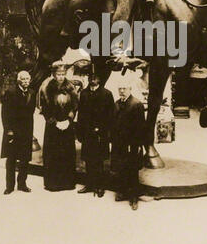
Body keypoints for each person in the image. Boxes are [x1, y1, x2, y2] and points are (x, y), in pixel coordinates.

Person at [40, 61, 78, 191]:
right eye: (58, 74)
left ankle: (67, 183)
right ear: (54, 75)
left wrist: (68, 120)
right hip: (53, 127)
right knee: (53, 154)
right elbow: (44, 108)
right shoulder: (47, 87)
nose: (61, 77)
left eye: (63, 74)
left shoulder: (71, 87)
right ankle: (53, 183)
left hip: (67, 126)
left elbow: (75, 106)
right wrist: (55, 122)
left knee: (66, 154)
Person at [77, 68, 115, 197]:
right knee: (88, 160)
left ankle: (100, 186)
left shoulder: (106, 94)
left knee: (99, 161)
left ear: (99, 79)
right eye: (91, 77)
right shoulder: (83, 93)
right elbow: (80, 114)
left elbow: (110, 116)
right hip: (87, 133)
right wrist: (80, 133)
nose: (93, 79)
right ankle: (89, 185)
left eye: (95, 77)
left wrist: (104, 130)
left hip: (100, 133)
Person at [111, 75, 146, 210]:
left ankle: (134, 197)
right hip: (120, 143)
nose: (122, 91)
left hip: (132, 143)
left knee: (132, 170)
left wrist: (137, 146)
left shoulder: (136, 104)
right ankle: (123, 192)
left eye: (124, 89)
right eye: (120, 89)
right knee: (122, 167)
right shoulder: (117, 104)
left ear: (130, 89)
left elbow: (140, 127)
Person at [1, 70, 36, 194]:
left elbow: (31, 113)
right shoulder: (10, 92)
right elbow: (5, 113)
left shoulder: (32, 93)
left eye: (28, 79)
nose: (26, 81)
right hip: (13, 132)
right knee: (11, 159)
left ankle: (22, 184)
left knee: (25, 159)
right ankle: (9, 186)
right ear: (19, 80)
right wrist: (8, 130)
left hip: (26, 131)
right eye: (24, 79)